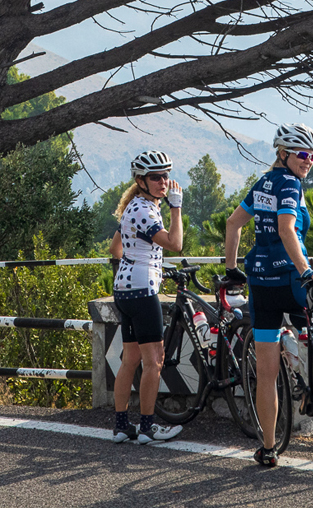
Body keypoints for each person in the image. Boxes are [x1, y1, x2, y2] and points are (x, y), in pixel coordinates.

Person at [223, 123, 313, 468]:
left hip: (261, 282)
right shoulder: (289, 183)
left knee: (267, 373)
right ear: (283, 154)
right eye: (302, 154)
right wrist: (306, 272)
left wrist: (231, 269)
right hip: (291, 281)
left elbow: (232, 224)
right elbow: (288, 229)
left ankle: (269, 448)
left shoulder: (262, 184)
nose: (309, 160)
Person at [107, 149, 185, 444]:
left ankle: (121, 426)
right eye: (155, 177)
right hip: (142, 291)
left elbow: (116, 249)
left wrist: (141, 263)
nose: (163, 182)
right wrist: (176, 208)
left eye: (165, 175)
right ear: (141, 180)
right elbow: (175, 244)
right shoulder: (145, 210)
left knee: (131, 359)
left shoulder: (133, 207)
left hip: (124, 290)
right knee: (155, 361)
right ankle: (148, 427)